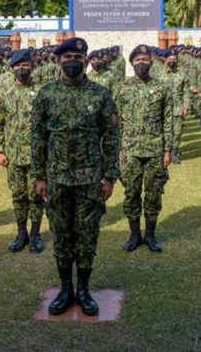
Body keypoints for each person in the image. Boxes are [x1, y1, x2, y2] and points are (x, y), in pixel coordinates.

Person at [31, 37, 120, 317]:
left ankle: (83, 289)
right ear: (58, 60)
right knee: (61, 235)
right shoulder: (46, 94)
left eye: (78, 57)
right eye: (67, 56)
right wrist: (39, 175)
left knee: (87, 235)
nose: (73, 61)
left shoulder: (100, 95)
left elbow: (111, 136)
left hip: (90, 178)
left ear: (85, 61)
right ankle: (65, 288)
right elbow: (37, 137)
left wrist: (110, 176)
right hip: (57, 178)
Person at [114, 44, 173, 252]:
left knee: (153, 194)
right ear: (131, 63)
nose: (142, 63)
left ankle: (150, 235)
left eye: (145, 60)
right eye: (138, 60)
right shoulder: (122, 88)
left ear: (151, 62)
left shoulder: (162, 88)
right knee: (131, 193)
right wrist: (118, 149)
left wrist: (168, 150)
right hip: (130, 150)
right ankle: (134, 234)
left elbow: (168, 121)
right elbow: (117, 121)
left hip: (155, 150)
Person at [0, 49, 45, 253]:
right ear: (12, 68)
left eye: (26, 65)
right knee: (18, 195)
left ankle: (35, 234)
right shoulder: (5, 95)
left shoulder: (42, 93)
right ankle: (21, 233)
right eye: (18, 66)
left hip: (36, 156)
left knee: (37, 195)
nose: (22, 69)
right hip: (13, 155)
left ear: (31, 67)